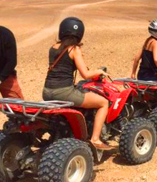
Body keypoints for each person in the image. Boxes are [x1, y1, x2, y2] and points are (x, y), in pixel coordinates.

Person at [42, 17, 111, 150]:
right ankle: (95, 139)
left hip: (47, 91)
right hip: (64, 92)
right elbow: (85, 74)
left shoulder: (53, 48)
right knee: (103, 103)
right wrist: (100, 72)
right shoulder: (74, 50)